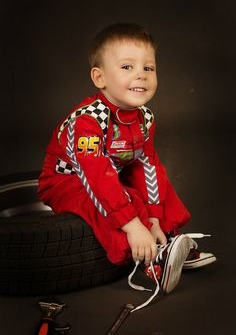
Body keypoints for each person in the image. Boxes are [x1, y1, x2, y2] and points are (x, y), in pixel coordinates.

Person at [38, 23, 216, 296]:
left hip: (110, 171)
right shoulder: (87, 121)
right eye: (127, 67)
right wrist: (133, 225)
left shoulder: (144, 118)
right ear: (100, 78)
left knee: (156, 178)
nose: (141, 76)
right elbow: (97, 177)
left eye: (148, 68)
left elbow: (148, 164)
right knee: (124, 198)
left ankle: (166, 240)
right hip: (70, 180)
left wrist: (155, 219)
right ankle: (149, 260)